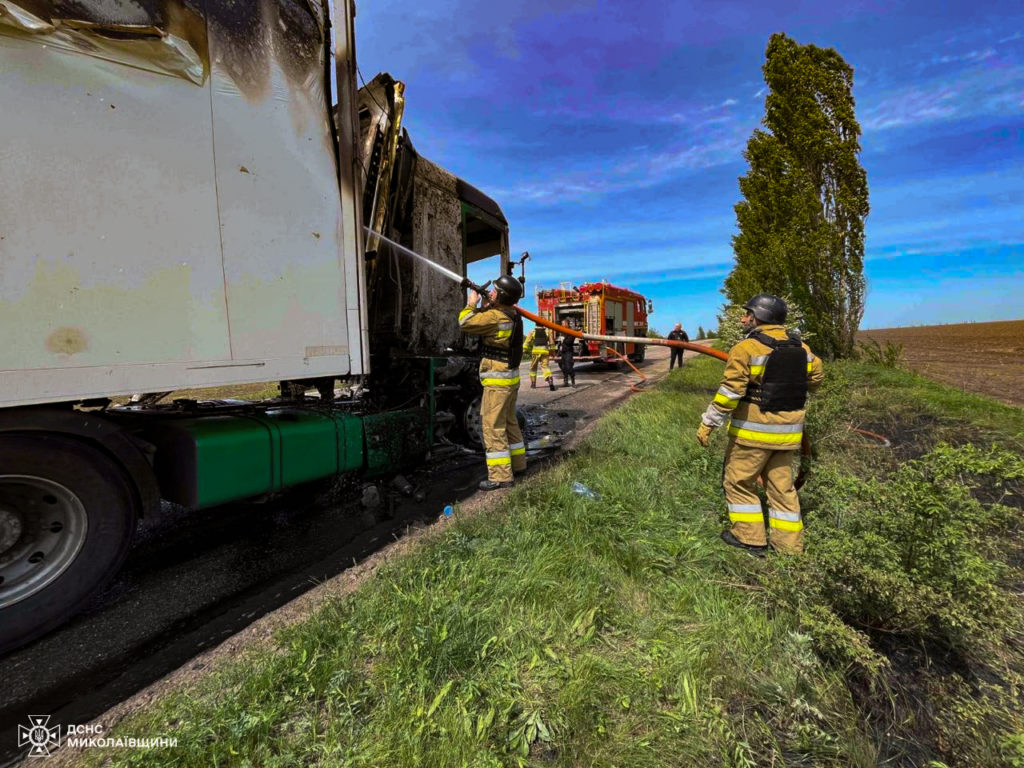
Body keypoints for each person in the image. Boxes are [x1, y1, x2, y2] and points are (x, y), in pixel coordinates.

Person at [696, 294, 824, 555]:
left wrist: (708, 423)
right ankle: (789, 548)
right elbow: (816, 378)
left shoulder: (746, 349)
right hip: (788, 435)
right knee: (782, 488)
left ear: (758, 317)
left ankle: (749, 538)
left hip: (752, 434)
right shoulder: (802, 349)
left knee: (738, 483)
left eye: (747, 314)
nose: (744, 319)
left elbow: (730, 393)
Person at [458, 275, 527, 490]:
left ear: (502, 296)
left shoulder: (496, 317)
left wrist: (472, 304)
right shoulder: (511, 315)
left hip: (498, 381)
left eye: (495, 291)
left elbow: (465, 322)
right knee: (509, 422)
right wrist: (488, 305)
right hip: (509, 378)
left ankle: (500, 476)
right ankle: (518, 464)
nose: (492, 292)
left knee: (492, 426)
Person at [523, 324, 557, 391]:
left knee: (533, 368)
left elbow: (527, 342)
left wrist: (523, 350)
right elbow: (552, 343)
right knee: (545, 367)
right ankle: (550, 380)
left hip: (535, 352)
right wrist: (553, 352)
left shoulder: (532, 331)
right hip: (545, 352)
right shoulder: (547, 331)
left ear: (535, 324)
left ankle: (533, 383)